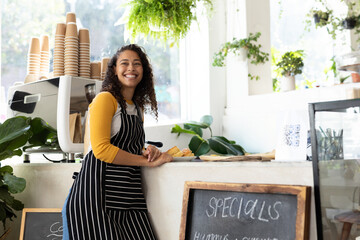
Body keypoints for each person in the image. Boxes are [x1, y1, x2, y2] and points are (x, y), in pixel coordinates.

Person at [62, 44, 173, 240]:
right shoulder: (105, 99)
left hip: (128, 197)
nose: (131, 68)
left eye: (137, 64)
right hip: (95, 199)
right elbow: (102, 150)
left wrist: (147, 151)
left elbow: (128, 146)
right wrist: (147, 162)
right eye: (125, 63)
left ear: (144, 71)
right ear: (114, 70)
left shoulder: (137, 108)